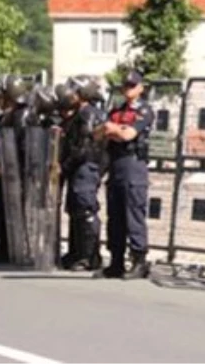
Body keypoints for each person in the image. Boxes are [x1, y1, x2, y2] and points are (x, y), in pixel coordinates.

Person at [100, 69, 154, 280]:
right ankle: (116, 262)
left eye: (132, 86)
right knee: (115, 216)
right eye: (125, 86)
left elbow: (128, 134)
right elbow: (99, 132)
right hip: (116, 165)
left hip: (134, 166)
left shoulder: (144, 111)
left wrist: (114, 130)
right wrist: (115, 129)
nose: (128, 90)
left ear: (141, 88)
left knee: (134, 215)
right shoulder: (116, 111)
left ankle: (139, 261)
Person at [58, 77, 106, 271]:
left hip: (86, 167)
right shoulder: (79, 114)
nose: (71, 95)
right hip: (79, 167)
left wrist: (66, 165)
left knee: (85, 209)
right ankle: (76, 252)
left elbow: (84, 146)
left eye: (75, 92)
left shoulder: (87, 114)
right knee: (76, 209)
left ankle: (89, 256)